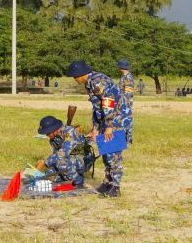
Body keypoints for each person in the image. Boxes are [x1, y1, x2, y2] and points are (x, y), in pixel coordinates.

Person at [68, 60, 128, 197]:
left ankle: (115, 186)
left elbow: (108, 104)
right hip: (105, 121)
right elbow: (97, 108)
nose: (74, 79)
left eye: (74, 76)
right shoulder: (90, 83)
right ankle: (108, 182)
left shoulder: (98, 81)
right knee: (106, 153)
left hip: (114, 120)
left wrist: (109, 126)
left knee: (113, 154)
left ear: (80, 74)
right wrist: (95, 128)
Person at [35, 115, 89, 187]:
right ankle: (68, 178)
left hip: (82, 159)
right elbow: (55, 155)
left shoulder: (69, 132)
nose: (47, 135)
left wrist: (44, 162)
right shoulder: (54, 139)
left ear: (54, 129)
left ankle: (79, 181)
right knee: (49, 173)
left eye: (48, 133)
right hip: (68, 160)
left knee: (61, 164)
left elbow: (62, 154)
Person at [116, 58, 136, 145]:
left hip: (125, 103)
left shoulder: (128, 78)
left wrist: (121, 102)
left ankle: (127, 140)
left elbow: (128, 93)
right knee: (123, 121)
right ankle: (125, 139)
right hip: (122, 101)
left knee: (126, 121)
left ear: (121, 68)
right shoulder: (124, 76)